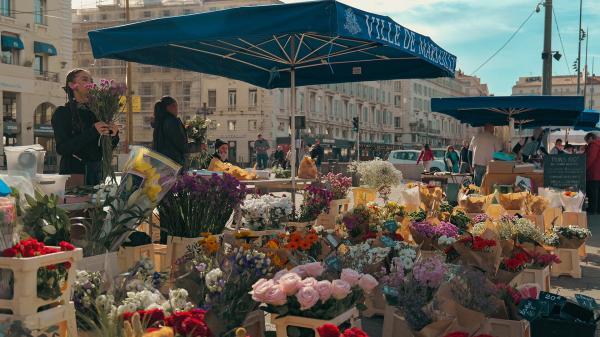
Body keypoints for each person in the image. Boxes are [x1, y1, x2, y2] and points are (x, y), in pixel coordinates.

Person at [52, 68, 119, 186]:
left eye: (91, 80)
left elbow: (101, 150)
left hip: (97, 175)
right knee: (77, 204)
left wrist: (113, 135)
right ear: (72, 85)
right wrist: (93, 131)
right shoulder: (62, 113)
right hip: (74, 174)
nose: (90, 83)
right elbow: (62, 148)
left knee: (97, 204)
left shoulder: (97, 113)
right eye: (85, 79)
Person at [152, 96, 187, 167]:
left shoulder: (159, 122)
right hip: (173, 164)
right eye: (176, 107)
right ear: (170, 107)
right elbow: (182, 145)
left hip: (160, 163)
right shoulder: (172, 121)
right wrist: (198, 146)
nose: (177, 110)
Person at [585, 132, 600, 214]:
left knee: (593, 192)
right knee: (598, 192)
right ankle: (598, 209)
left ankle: (592, 209)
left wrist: (584, 168)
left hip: (594, 172)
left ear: (590, 138)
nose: (587, 143)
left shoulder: (594, 144)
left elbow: (591, 158)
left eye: (587, 141)